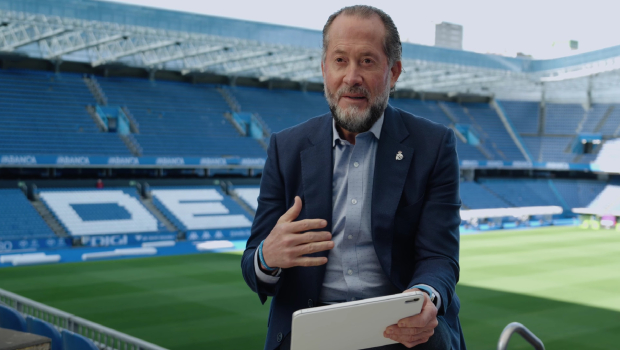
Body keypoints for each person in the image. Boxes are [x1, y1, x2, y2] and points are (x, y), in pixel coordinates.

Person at [242, 5, 465, 350]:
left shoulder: (433, 145)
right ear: (324, 69)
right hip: (310, 333)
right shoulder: (285, 148)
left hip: (402, 330)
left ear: (394, 72)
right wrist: (267, 258)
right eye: (340, 60)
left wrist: (424, 298)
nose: (352, 78)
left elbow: (440, 256)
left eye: (367, 61)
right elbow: (252, 265)